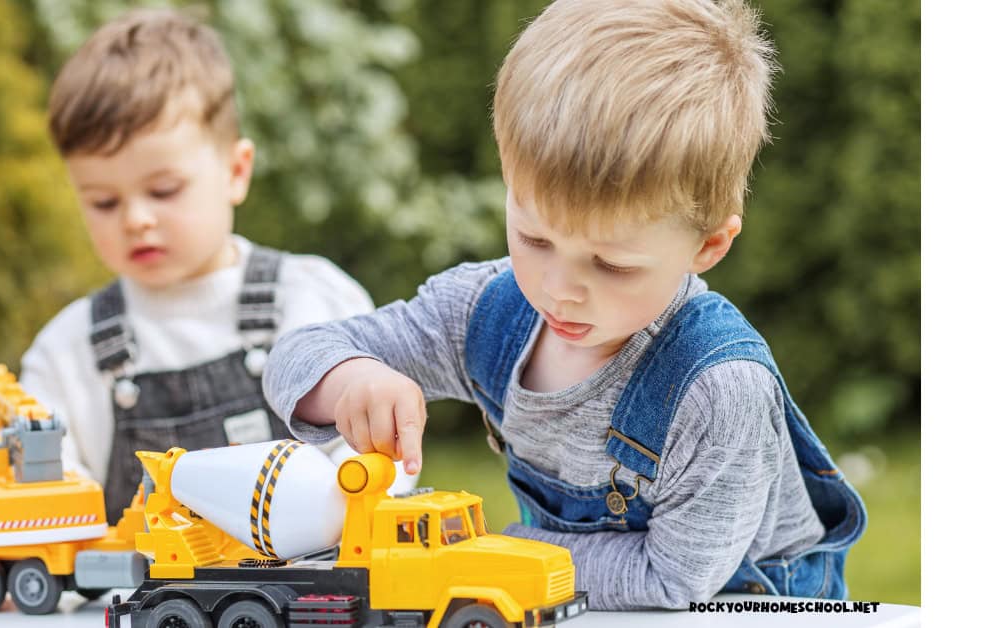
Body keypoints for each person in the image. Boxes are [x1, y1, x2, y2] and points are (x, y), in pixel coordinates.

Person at [262, 0, 865, 610]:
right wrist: (351, 379)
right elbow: (294, 355)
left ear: (707, 246)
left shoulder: (716, 389)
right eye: (535, 239)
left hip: (740, 608)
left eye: (612, 264)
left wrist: (490, 552)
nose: (561, 288)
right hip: (578, 601)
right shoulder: (487, 314)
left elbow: (673, 580)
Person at [12, 7, 412, 526]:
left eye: (164, 190)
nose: (135, 219)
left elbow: (377, 455)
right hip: (143, 602)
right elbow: (46, 489)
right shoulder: (66, 354)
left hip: (304, 590)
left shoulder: (313, 300)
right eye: (103, 202)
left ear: (235, 171)